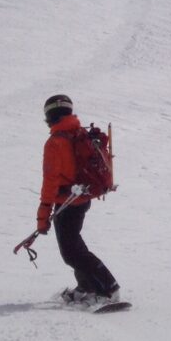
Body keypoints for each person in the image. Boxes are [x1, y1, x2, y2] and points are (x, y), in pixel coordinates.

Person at [37, 93, 120, 304]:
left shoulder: (56, 142)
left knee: (71, 252)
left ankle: (108, 287)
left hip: (68, 201)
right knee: (75, 246)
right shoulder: (79, 133)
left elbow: (50, 182)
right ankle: (87, 288)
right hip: (82, 197)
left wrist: (43, 215)